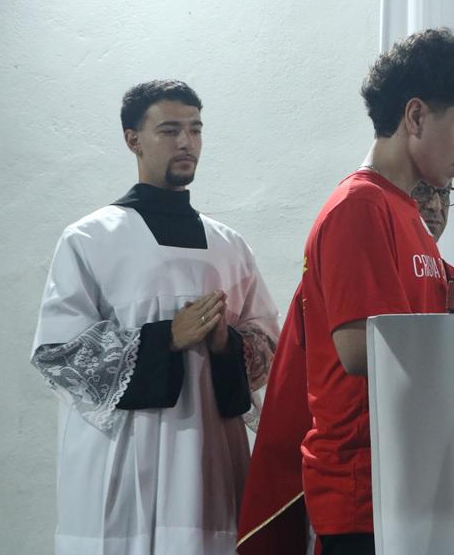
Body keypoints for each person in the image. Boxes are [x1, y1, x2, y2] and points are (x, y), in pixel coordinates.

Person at [243, 28, 454, 555]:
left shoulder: (405, 212)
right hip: (367, 490)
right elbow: (362, 349)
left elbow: (422, 322)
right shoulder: (359, 208)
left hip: (413, 479)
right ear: (416, 117)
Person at [30, 80, 280, 554]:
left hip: (209, 459)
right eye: (169, 130)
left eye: (195, 130)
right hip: (124, 463)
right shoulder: (91, 239)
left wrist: (226, 344)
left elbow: (268, 345)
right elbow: (61, 356)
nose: (186, 142)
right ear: (133, 140)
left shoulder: (230, 246)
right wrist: (165, 338)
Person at [236, 178, 454, 554]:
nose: (435, 205)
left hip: (436, 485)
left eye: (444, 193)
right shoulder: (352, 259)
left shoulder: (445, 277)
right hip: (365, 485)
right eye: (422, 190)